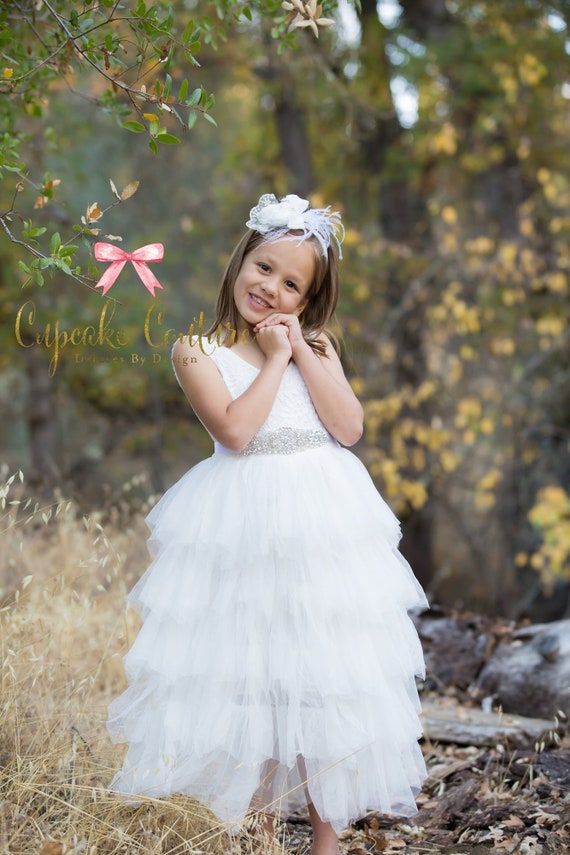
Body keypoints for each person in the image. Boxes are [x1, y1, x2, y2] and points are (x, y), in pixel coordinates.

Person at [107, 193, 428, 854]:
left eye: (292, 285)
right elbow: (236, 432)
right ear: (239, 263)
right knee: (251, 675)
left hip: (322, 529)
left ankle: (327, 837)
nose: (271, 288)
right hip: (245, 528)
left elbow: (348, 427)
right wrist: (275, 359)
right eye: (264, 268)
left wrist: (300, 350)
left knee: (321, 675)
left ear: (306, 302)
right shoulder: (197, 351)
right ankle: (259, 829)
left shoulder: (319, 347)